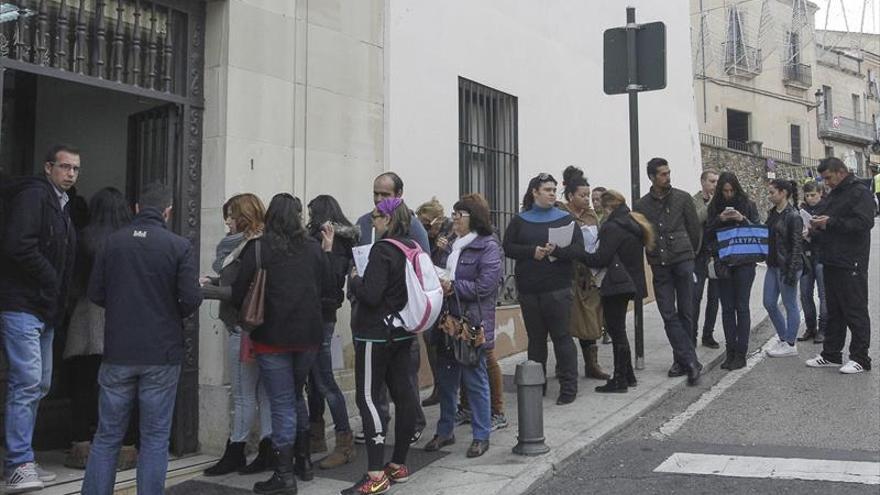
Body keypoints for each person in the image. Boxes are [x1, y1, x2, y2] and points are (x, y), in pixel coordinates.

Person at [82, 182, 202, 495]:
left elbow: (95, 292)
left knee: (107, 436)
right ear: (168, 211)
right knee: (154, 438)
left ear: (136, 208)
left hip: (119, 350)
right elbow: (190, 300)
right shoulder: (178, 246)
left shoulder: (112, 242)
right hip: (161, 352)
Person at [230, 193, 336, 494]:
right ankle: (303, 461)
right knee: (294, 396)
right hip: (309, 337)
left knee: (281, 402)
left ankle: (284, 475)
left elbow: (239, 292)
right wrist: (328, 252)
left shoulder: (258, 248)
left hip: (272, 337)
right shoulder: (314, 248)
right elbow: (328, 288)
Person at [1, 144, 80, 492]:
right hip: (23, 305)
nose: (71, 174)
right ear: (48, 167)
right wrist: (52, 280)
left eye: (76, 169)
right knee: (27, 383)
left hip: (44, 309)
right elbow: (19, 245)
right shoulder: (35, 197)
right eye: (65, 167)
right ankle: (18, 462)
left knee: (39, 384)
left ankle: (23, 459)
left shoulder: (61, 205)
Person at [343, 198, 422, 495]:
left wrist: (355, 279)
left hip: (375, 334)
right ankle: (398, 464)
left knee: (368, 398)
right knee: (404, 397)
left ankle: (375, 474)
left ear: (388, 219)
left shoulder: (382, 249)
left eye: (377, 216)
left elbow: (372, 294)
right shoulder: (411, 246)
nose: (373, 221)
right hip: (403, 331)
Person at [63, 187, 139, 471]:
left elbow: (73, 282)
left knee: (82, 384)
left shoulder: (83, 237)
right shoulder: (131, 241)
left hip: (86, 315)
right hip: (123, 318)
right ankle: (127, 448)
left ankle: (81, 447)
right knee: (123, 387)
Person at [200, 194, 275, 476]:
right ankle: (267, 450)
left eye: (230, 216)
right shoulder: (263, 243)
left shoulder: (244, 247)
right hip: (263, 328)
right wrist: (216, 280)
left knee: (243, 393)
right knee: (264, 392)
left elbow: (239, 291)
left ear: (243, 217)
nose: (227, 222)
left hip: (242, 328)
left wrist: (204, 290)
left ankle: (235, 451)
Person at [353, 172, 429, 444]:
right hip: (368, 310)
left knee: (405, 376)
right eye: (376, 193)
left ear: (398, 195)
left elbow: (423, 265)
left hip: (399, 312)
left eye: (385, 194)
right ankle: (378, 423)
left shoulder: (412, 225)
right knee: (374, 378)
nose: (378, 199)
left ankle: (413, 422)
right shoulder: (364, 222)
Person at [425, 193, 502, 458]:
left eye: (460, 215)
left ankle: (481, 435)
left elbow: (485, 286)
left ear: (474, 218)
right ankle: (445, 430)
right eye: (454, 215)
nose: (455, 220)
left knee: (475, 378)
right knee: (446, 380)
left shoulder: (488, 246)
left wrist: (453, 286)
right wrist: (437, 253)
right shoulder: (452, 244)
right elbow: (436, 270)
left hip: (470, 322)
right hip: (446, 320)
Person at [503, 173, 584, 405]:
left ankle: (569, 388)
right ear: (534, 193)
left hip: (557, 288)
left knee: (561, 337)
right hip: (529, 289)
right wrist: (532, 252)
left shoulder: (565, 219)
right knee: (536, 341)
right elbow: (508, 247)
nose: (551, 193)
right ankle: (536, 386)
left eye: (553, 189)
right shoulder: (520, 220)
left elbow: (579, 250)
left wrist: (556, 250)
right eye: (547, 189)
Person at [633, 158, 702, 386]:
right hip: (659, 265)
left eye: (668, 173)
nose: (667, 177)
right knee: (667, 313)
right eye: (663, 174)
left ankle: (680, 360)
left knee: (686, 312)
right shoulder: (641, 205)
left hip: (682, 260)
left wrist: (689, 254)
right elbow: (643, 235)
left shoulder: (682, 198)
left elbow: (694, 231)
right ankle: (690, 360)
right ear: (652, 177)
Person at [579, 190, 653, 392]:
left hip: (616, 284)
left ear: (607, 206)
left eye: (599, 204)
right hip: (628, 282)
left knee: (616, 330)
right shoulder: (631, 222)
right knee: (618, 329)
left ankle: (620, 379)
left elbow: (601, 258)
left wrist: (577, 253)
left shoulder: (613, 227)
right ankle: (628, 375)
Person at [806, 157, 875, 374]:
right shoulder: (834, 194)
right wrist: (815, 226)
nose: (826, 183)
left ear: (841, 171)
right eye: (823, 179)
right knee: (834, 311)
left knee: (855, 310)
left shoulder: (859, 192)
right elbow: (827, 217)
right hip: (831, 259)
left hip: (851, 260)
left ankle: (860, 358)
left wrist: (830, 222)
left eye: (828, 178)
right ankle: (831, 354)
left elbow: (865, 222)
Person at [305, 195, 357, 469]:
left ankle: (344, 443)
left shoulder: (332, 240)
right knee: (314, 380)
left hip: (322, 314)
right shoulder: (329, 237)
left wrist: (322, 250)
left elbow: (330, 279)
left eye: (312, 212)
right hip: (319, 313)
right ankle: (316, 436)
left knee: (324, 380)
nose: (308, 217)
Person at [705, 172, 760, 371]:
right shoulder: (714, 207)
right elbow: (707, 234)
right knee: (727, 308)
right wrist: (720, 218)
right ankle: (730, 352)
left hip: (745, 262)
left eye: (731, 190)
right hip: (724, 262)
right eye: (725, 191)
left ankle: (741, 353)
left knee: (742, 307)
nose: (728, 194)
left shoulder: (748, 205)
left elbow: (758, 231)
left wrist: (742, 218)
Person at [558, 166, 608, 380]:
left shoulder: (591, 215)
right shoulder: (560, 214)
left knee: (590, 320)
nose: (587, 199)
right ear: (570, 195)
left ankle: (592, 364)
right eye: (582, 195)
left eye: (588, 195)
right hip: (566, 275)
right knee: (566, 322)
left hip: (588, 277)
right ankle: (564, 366)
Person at [415, 198, 453, 408]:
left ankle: (448, 390)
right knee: (430, 342)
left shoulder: (448, 232)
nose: (426, 227)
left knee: (445, 345)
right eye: (423, 223)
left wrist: (442, 247)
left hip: (445, 295)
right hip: (427, 294)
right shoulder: (422, 234)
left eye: (429, 224)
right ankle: (439, 387)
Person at [763, 180, 804, 357]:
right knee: (769, 303)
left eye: (772, 192)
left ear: (783, 193)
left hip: (787, 266)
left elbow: (797, 246)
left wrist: (792, 271)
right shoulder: (772, 213)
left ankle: (790, 343)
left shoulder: (793, 216)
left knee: (790, 304)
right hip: (772, 265)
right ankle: (783, 337)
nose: (770, 195)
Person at [692, 169, 721, 349]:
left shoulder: (721, 202)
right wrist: (710, 203)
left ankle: (708, 334)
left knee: (714, 297)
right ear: (703, 182)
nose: (715, 185)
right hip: (698, 255)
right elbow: (696, 219)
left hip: (716, 255)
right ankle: (692, 333)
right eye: (711, 181)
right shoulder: (692, 200)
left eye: (717, 181)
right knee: (695, 297)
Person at [797, 182, 827, 343]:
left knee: (824, 295)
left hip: (822, 256)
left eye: (813, 195)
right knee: (805, 294)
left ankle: (823, 329)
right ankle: (810, 327)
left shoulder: (828, 209)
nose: (810, 199)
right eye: (807, 195)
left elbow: (830, 234)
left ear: (820, 193)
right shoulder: (801, 210)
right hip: (806, 256)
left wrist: (811, 232)